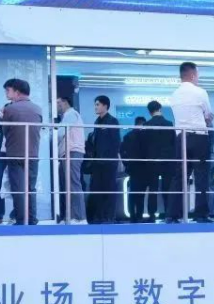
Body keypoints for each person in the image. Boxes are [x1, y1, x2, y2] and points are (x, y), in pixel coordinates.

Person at [169, 62, 214, 223]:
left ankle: (172, 215)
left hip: (180, 138)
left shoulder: (174, 95)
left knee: (179, 177)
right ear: (193, 75)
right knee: (201, 177)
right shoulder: (200, 92)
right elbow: (208, 115)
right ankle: (201, 214)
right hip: (199, 137)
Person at [0, 79, 42, 225]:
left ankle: (21, 220)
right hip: (33, 154)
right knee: (30, 188)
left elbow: (5, 131)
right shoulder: (38, 109)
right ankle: (32, 218)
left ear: (17, 92)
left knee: (18, 189)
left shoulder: (10, 109)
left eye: (8, 90)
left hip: (15, 153)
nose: (6, 93)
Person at [86, 95, 121, 224]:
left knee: (109, 189)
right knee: (97, 190)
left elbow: (116, 142)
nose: (95, 107)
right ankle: (98, 216)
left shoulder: (112, 121)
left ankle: (108, 217)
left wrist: (110, 157)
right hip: (97, 163)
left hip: (108, 162)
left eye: (98, 104)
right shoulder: (96, 122)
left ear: (105, 106)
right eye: (95, 105)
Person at [142, 100, 175, 223]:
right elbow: (173, 143)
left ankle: (152, 215)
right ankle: (168, 215)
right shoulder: (169, 124)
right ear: (160, 109)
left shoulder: (147, 125)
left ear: (149, 112)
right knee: (168, 189)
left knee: (153, 189)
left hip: (152, 161)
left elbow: (144, 145)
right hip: (167, 160)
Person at [56, 95, 87, 223]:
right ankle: (70, 216)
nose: (57, 106)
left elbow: (60, 133)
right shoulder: (68, 115)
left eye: (58, 103)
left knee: (73, 184)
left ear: (65, 102)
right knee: (67, 185)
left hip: (72, 152)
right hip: (68, 152)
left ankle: (79, 217)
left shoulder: (71, 114)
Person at [122, 117, 149, 223]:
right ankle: (139, 216)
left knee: (133, 193)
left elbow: (123, 152)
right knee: (140, 194)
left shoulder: (127, 136)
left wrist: (127, 164)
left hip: (133, 168)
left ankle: (133, 216)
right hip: (144, 168)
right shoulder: (146, 136)